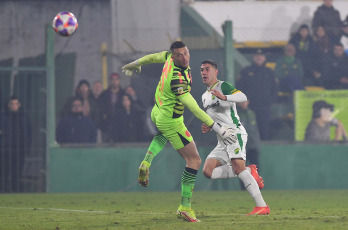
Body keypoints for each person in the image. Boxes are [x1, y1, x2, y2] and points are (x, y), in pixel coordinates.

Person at [121, 41, 236, 222]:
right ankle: (185, 207)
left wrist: (136, 63)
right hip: (171, 121)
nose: (184, 57)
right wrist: (219, 129)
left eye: (186, 53)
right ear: (173, 56)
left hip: (157, 111)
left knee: (162, 135)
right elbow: (195, 109)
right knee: (194, 160)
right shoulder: (177, 80)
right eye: (180, 55)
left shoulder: (168, 57)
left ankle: (146, 162)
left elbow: (152, 57)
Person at [199, 60, 269, 216]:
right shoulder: (204, 96)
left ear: (215, 71)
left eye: (207, 69)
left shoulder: (222, 86)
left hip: (234, 133)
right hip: (221, 139)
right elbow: (216, 118)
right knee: (207, 171)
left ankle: (262, 206)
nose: (204, 72)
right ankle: (249, 171)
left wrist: (225, 97)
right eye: (202, 70)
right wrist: (209, 126)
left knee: (238, 168)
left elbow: (243, 97)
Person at [237, 49, 278, 140]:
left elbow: (275, 89)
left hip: (264, 108)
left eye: (261, 55)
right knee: (248, 133)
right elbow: (239, 88)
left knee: (264, 132)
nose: (259, 57)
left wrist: (269, 102)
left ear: (264, 58)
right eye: (256, 55)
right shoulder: (246, 71)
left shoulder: (269, 73)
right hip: (249, 108)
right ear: (253, 57)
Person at [1, 96, 31, 192]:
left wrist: (27, 147)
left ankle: (15, 189)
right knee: (4, 171)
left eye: (16, 104)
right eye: (11, 104)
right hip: (5, 149)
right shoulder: (3, 117)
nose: (14, 106)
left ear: (19, 105)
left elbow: (28, 133)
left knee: (17, 171)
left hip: (19, 148)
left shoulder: (24, 117)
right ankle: (3, 189)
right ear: (8, 105)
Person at [97, 73, 124, 143]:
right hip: (106, 125)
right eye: (113, 79)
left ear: (119, 81)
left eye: (116, 79)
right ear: (110, 81)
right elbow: (100, 107)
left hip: (120, 125)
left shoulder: (123, 94)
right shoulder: (104, 94)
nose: (114, 81)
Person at [237, 101, 261, 168]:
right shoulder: (235, 114)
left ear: (248, 102)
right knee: (242, 170)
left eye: (245, 101)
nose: (244, 103)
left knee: (255, 169)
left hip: (252, 146)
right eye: (242, 102)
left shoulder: (252, 113)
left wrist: (257, 145)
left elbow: (255, 130)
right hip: (241, 147)